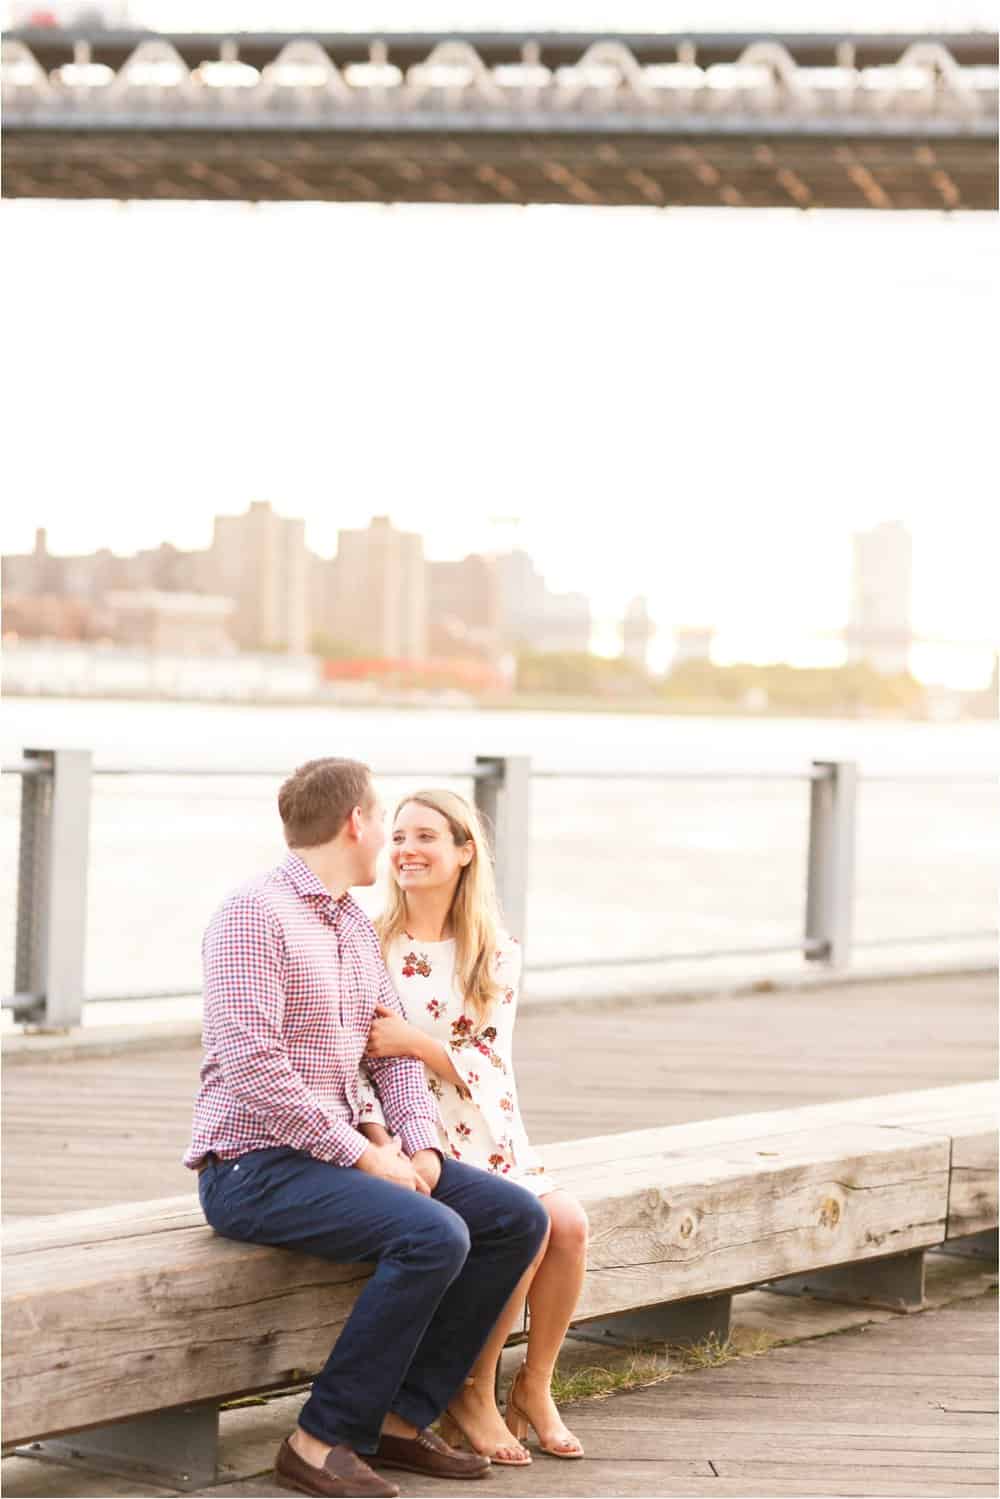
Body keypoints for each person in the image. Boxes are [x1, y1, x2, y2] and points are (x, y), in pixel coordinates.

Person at [184, 758, 550, 1499]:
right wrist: (365, 1154)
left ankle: (400, 1419)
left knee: (514, 1216)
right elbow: (253, 1067)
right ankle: (319, 1440)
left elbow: (393, 1054)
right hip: (252, 1166)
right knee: (433, 1233)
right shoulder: (254, 913)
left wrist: (414, 1144)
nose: (386, 835)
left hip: (340, 1157)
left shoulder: (350, 920)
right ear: (355, 822)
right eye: (382, 818)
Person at [358, 788, 589, 1466]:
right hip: (415, 1129)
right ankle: (473, 1390)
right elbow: (363, 1055)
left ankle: (534, 1387)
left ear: (465, 851)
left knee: (569, 1223)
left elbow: (488, 1062)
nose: (406, 849)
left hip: (488, 1125)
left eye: (426, 836)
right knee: (524, 1223)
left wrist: (412, 1039)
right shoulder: (371, 943)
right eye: (398, 836)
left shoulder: (495, 949)